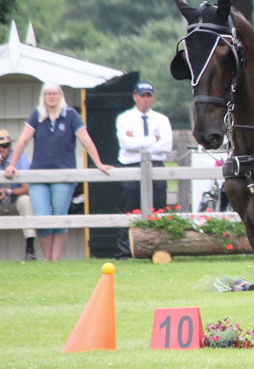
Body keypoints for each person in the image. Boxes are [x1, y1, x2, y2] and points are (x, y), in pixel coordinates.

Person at [3, 83, 113, 261]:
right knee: (41, 217)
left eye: (54, 93)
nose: (51, 96)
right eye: (47, 94)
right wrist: (12, 165)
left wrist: (98, 163)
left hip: (64, 175)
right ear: (43, 96)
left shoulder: (70, 115)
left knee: (60, 216)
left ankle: (55, 259)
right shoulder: (37, 115)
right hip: (38, 175)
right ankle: (48, 259)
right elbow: (23, 140)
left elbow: (86, 139)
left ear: (60, 95)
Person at [114, 81, 173, 259]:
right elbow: (127, 145)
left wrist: (139, 140)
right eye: (142, 96)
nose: (146, 99)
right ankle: (125, 252)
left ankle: (158, 251)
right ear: (135, 97)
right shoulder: (124, 118)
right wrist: (153, 138)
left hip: (156, 167)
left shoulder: (162, 119)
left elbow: (166, 145)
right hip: (132, 167)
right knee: (130, 210)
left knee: (159, 209)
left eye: (149, 96)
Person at [0, 129, 37, 260]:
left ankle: (30, 249)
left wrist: (8, 192)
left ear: (10, 146)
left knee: (26, 201)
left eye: (5, 146)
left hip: (15, 198)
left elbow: (27, 188)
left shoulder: (20, 158)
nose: (2, 149)